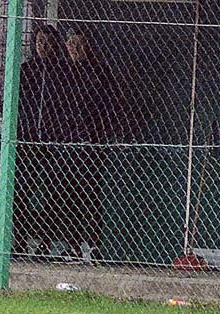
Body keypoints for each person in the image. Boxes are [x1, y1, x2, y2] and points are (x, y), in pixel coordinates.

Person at [63, 28, 123, 262]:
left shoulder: (99, 71)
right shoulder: (64, 72)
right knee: (69, 194)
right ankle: (73, 245)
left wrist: (101, 132)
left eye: (79, 43)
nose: (74, 48)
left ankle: (95, 245)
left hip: (92, 142)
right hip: (67, 142)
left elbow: (111, 104)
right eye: (70, 44)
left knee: (91, 193)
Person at [15, 24, 74, 259]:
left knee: (53, 192)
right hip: (27, 142)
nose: (44, 47)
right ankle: (19, 241)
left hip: (54, 143)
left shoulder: (64, 72)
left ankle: (46, 242)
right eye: (40, 42)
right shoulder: (25, 71)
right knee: (21, 192)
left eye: (49, 43)